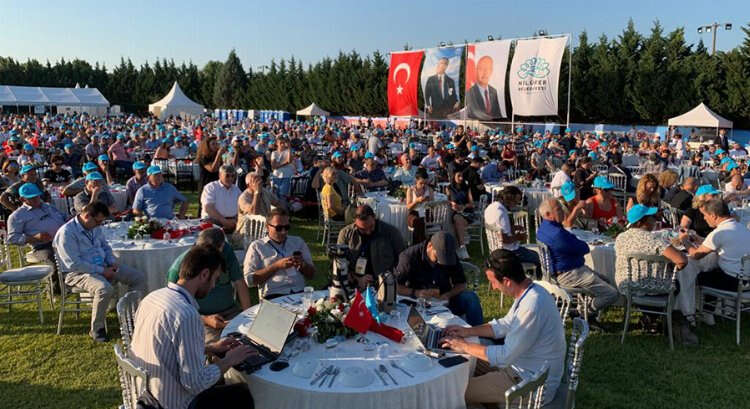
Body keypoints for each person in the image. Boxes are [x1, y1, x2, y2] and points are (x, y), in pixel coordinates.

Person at [131, 245, 255, 409]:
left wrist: (210, 348)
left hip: (148, 392)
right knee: (243, 394)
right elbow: (195, 383)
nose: (214, 286)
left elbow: (165, 349)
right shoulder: (187, 315)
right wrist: (229, 360)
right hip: (172, 403)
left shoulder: (152, 297)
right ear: (204, 274)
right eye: (215, 279)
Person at [439, 249, 565, 406]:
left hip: (530, 386)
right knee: (464, 363)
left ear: (506, 281)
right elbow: (505, 324)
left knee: (454, 392)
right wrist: (467, 331)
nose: (493, 288)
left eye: (493, 282)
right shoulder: (530, 292)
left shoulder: (531, 306)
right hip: (520, 369)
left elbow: (505, 355)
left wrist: (464, 346)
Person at [53, 202, 146, 342]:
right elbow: (74, 264)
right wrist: (102, 271)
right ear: (86, 216)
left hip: (102, 266)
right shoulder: (66, 233)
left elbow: (105, 247)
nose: (100, 225)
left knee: (138, 277)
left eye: (101, 221)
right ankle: (97, 329)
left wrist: (111, 261)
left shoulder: (94, 227)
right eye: (98, 221)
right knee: (104, 289)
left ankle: (131, 316)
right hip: (77, 273)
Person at [615, 204, 701, 344]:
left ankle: (651, 317)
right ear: (641, 222)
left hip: (627, 285)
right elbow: (682, 260)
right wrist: (671, 268)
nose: (655, 220)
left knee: (668, 282)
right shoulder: (653, 240)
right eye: (652, 217)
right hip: (653, 288)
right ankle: (666, 318)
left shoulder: (621, 237)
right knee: (676, 284)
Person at [536, 198, 618, 328]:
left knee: (606, 280)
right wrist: (576, 244)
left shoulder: (543, 228)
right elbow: (583, 248)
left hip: (562, 270)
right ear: (548, 214)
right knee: (611, 293)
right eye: (558, 209)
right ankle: (583, 313)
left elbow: (573, 244)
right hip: (569, 273)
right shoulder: (557, 234)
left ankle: (585, 313)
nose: (563, 211)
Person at [166, 228, 251, 342]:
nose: (213, 286)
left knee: (251, 338)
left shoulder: (225, 250)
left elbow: (239, 282)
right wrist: (205, 319)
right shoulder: (179, 267)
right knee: (222, 345)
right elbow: (176, 309)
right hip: (200, 317)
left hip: (230, 311)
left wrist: (248, 314)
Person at [395, 231, 483, 326]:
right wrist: (416, 292)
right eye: (437, 257)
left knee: (471, 298)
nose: (440, 262)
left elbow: (461, 284)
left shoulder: (450, 255)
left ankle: (477, 330)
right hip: (418, 304)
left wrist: (448, 295)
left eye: (445, 259)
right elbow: (396, 286)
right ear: (430, 246)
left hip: (445, 301)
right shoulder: (409, 257)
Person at [686, 199, 750, 321]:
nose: (704, 218)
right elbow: (723, 243)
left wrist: (684, 240)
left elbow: (695, 255)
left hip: (733, 282)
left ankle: (696, 313)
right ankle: (712, 312)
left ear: (713, 215)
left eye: (705, 215)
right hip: (746, 280)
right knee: (713, 271)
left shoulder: (719, 232)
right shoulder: (741, 227)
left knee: (695, 275)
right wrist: (700, 240)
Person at [244, 207, 315, 299]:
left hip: (299, 292)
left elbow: (311, 275)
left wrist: (303, 264)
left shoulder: (298, 242)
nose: (283, 232)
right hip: (273, 295)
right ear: (267, 227)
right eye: (279, 228)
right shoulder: (257, 246)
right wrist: (276, 266)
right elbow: (249, 281)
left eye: (287, 227)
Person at [8, 183, 67, 290]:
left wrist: (70, 218)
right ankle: (56, 289)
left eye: (37, 196)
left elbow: (63, 216)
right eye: (32, 198)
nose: (36, 199)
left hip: (63, 240)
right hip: (42, 246)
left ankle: (78, 280)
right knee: (53, 258)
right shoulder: (17, 216)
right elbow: (12, 238)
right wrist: (34, 237)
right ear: (22, 199)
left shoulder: (48, 206)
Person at [337, 204, 405, 289]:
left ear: (374, 217)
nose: (368, 232)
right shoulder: (345, 234)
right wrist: (357, 279)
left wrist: (387, 279)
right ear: (355, 222)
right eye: (362, 229)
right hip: (354, 284)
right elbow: (339, 264)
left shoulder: (391, 233)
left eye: (371, 227)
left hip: (385, 284)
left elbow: (402, 261)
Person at [484, 185, 541, 276]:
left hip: (495, 250)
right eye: (516, 201)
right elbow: (504, 239)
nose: (517, 204)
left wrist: (514, 227)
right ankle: (536, 280)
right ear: (509, 198)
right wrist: (519, 237)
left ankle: (527, 276)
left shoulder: (491, 207)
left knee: (533, 253)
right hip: (508, 253)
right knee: (539, 256)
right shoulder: (501, 212)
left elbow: (499, 229)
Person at [200, 164, 241, 232]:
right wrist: (223, 221)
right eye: (227, 176)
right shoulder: (211, 187)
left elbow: (242, 208)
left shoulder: (236, 190)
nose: (230, 178)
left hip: (232, 221)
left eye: (233, 176)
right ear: (220, 175)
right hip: (213, 220)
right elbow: (208, 207)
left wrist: (236, 220)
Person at [447, 170, 474, 260]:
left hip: (466, 212)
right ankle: (459, 247)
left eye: (462, 176)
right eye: (458, 176)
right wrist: (452, 203)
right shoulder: (449, 188)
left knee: (457, 220)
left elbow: (472, 203)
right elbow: (447, 200)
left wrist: (464, 206)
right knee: (452, 221)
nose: (461, 178)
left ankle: (462, 247)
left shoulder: (466, 187)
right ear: (453, 177)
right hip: (454, 211)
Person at [466, 56, 502, 120]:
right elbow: (475, 112)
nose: (485, 72)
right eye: (481, 69)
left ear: (491, 71)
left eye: (488, 69)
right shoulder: (470, 92)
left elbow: (497, 113)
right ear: (476, 71)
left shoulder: (494, 91)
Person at [406, 169, 433, 244]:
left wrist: (429, 201)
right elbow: (408, 207)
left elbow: (433, 205)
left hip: (426, 212)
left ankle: (419, 245)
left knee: (421, 222)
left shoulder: (429, 189)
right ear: (416, 180)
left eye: (425, 183)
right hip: (414, 212)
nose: (423, 185)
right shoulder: (411, 190)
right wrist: (416, 201)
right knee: (417, 222)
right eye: (421, 183)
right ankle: (422, 245)